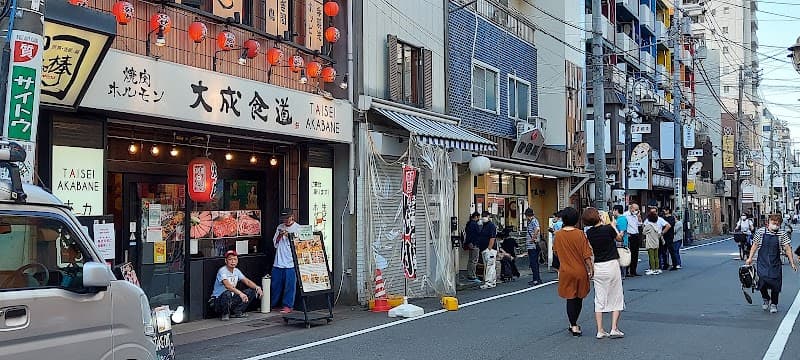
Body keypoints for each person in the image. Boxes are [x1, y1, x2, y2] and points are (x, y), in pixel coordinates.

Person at [582, 208, 625, 339]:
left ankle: (600, 330)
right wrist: (613, 226)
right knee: (616, 295)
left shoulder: (588, 233)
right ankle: (614, 328)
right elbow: (619, 239)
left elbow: (589, 249)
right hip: (611, 264)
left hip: (598, 266)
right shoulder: (608, 229)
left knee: (599, 298)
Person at [553, 207, 594, 337]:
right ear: (576, 220)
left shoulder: (558, 235)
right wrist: (591, 268)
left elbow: (556, 252)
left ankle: (573, 324)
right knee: (579, 297)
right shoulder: (580, 234)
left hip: (566, 270)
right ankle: (574, 323)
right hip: (580, 270)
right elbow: (586, 254)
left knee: (570, 298)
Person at [746, 214, 797, 313]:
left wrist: (792, 262)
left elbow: (787, 248)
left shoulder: (782, 234)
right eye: (773, 223)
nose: (775, 225)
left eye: (778, 223)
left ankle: (774, 303)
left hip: (775, 262)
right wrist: (750, 258)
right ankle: (765, 298)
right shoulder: (760, 232)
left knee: (775, 284)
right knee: (762, 282)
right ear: (768, 222)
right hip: (762, 261)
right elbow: (755, 245)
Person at [211, 250, 263, 321]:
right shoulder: (222, 271)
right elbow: (228, 286)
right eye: (230, 259)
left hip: (231, 299)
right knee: (227, 293)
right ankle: (225, 314)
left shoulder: (236, 271)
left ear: (237, 261)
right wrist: (240, 293)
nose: (233, 261)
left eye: (234, 259)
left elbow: (247, 281)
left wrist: (257, 287)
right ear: (226, 261)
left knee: (252, 291)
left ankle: (238, 312)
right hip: (218, 301)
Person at [271, 208, 300, 314]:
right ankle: (274, 304)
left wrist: (289, 236)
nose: (286, 220)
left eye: (288, 218)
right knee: (275, 284)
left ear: (292, 216)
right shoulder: (280, 227)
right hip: (278, 261)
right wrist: (280, 235)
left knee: (290, 285)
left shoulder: (298, 228)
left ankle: (288, 305)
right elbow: (275, 243)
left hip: (291, 262)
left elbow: (300, 245)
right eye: (284, 218)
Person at [642, 209, 671, 275]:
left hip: (650, 242)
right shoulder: (657, 225)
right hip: (656, 241)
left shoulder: (649, 225)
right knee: (656, 256)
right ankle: (657, 268)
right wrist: (661, 233)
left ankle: (652, 269)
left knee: (651, 256)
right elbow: (660, 232)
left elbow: (643, 232)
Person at [479, 210, 498, 289]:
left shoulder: (491, 226)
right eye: (482, 216)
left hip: (490, 249)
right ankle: (492, 282)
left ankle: (489, 282)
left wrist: (489, 248)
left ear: (488, 217)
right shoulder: (484, 225)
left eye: (485, 216)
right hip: (484, 249)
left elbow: (492, 237)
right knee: (489, 266)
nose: (483, 218)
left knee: (490, 265)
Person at [524, 208, 542, 286]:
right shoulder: (531, 221)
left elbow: (537, 229)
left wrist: (533, 238)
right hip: (531, 245)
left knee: (534, 262)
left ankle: (536, 279)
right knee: (534, 262)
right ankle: (536, 278)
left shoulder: (534, 221)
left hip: (533, 245)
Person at [623, 204, 642, 277]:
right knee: (629, 253)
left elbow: (640, 224)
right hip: (629, 235)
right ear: (631, 208)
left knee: (635, 254)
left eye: (637, 209)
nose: (636, 211)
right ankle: (627, 271)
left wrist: (639, 216)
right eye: (635, 209)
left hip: (636, 235)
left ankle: (633, 271)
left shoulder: (636, 216)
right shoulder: (625, 215)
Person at [463, 212, 482, 283]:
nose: (479, 219)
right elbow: (476, 234)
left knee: (471, 260)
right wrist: (473, 243)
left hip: (471, 243)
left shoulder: (469, 223)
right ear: (476, 217)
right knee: (474, 260)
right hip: (474, 244)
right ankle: (472, 276)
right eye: (478, 217)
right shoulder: (474, 224)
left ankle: (470, 274)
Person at [612, 205, 629, 279]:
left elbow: (621, 233)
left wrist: (614, 226)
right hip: (619, 241)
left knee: (620, 258)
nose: (613, 212)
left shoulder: (621, 219)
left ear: (616, 210)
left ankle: (622, 274)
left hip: (621, 242)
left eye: (614, 210)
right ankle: (621, 274)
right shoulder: (619, 219)